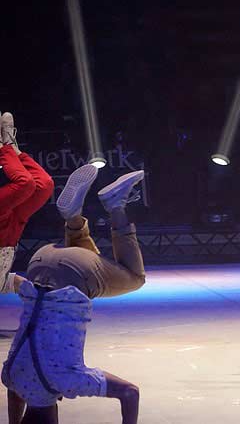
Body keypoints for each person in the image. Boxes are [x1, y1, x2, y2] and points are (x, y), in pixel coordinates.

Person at [2, 164, 146, 423]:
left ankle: (116, 206)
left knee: (134, 278)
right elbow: (15, 395)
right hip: (38, 262)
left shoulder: (68, 381)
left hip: (76, 273)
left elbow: (130, 393)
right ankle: (73, 220)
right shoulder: (11, 376)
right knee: (83, 266)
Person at [0, 112, 54, 295]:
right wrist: (40, 297)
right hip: (11, 235)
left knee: (24, 184)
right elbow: (9, 282)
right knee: (45, 185)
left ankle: (2, 147)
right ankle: (13, 149)